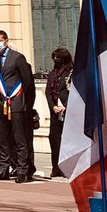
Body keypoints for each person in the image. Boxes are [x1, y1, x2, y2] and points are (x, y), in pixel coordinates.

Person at [0, 30, 35, 183]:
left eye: (0, 40)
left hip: (16, 102)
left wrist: (27, 105)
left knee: (19, 138)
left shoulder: (18, 58)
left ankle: (22, 170)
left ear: (6, 41)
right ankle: (4, 168)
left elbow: (27, 82)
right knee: (3, 139)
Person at [46, 47, 73, 178]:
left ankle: (66, 167)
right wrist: (53, 107)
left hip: (68, 110)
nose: (55, 60)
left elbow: (75, 92)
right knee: (54, 138)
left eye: (58, 58)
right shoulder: (52, 74)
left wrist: (66, 106)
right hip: (55, 112)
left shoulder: (72, 73)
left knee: (67, 140)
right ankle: (55, 167)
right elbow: (48, 92)